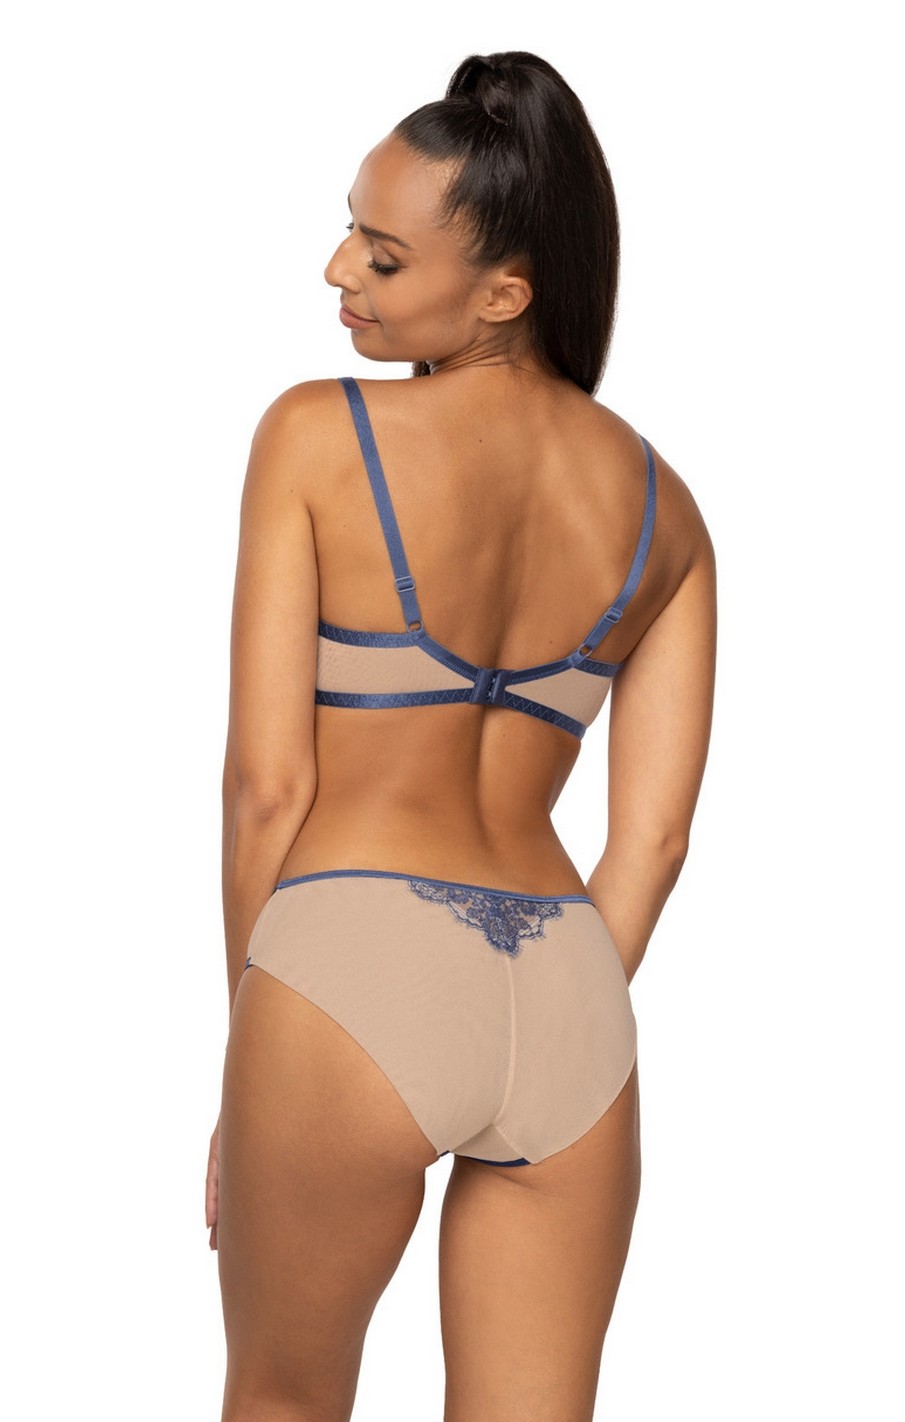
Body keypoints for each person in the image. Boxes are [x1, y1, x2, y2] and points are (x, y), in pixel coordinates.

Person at [206, 50, 715, 1422]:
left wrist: (256, 1050)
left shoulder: (315, 435)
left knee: (282, 1401)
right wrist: (540, 1011)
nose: (339, 271)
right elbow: (654, 842)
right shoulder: (666, 511)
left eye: (382, 258)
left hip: (349, 962)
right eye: (351, 234)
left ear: (505, 293)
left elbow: (267, 787)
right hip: (566, 994)